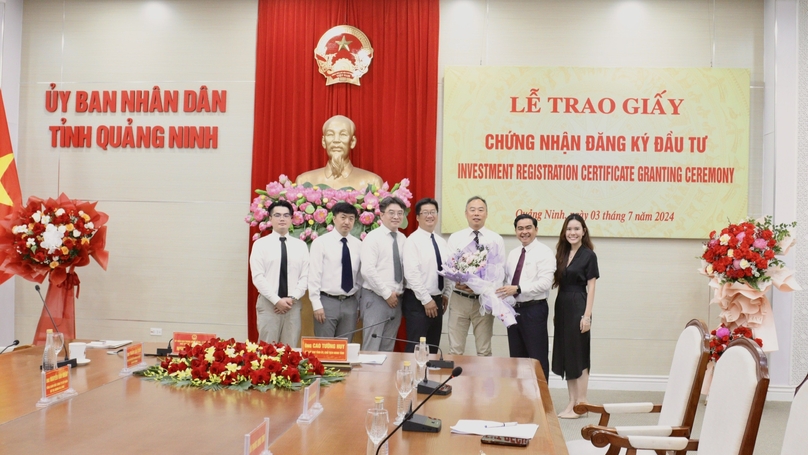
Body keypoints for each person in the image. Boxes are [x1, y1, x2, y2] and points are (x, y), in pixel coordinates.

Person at [496, 214, 555, 380]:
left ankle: (541, 403)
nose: (524, 232)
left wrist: (519, 288)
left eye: (528, 228)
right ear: (515, 231)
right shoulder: (514, 253)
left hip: (534, 310)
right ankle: (521, 402)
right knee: (517, 359)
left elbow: (545, 283)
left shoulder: (545, 252)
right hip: (513, 312)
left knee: (537, 358)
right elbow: (507, 281)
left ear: (536, 229)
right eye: (520, 228)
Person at [552, 213, 599, 419]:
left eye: (576, 229)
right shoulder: (561, 253)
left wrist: (587, 316)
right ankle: (571, 402)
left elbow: (592, 287)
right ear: (565, 232)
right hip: (562, 305)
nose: (573, 232)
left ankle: (582, 403)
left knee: (579, 355)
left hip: (578, 305)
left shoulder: (589, 255)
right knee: (566, 355)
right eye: (569, 229)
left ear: (584, 231)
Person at [446, 196, 505, 356]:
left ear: (486, 214)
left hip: (483, 301)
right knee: (455, 350)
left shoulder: (496, 239)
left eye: (480, 210)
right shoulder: (456, 238)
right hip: (459, 299)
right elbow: (448, 268)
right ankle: (455, 382)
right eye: (472, 210)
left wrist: (486, 289)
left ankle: (483, 381)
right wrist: (456, 284)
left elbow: (500, 272)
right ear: (466, 213)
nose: (476, 214)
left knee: (484, 350)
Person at [249, 200, 309, 347]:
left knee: (290, 351)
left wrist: (292, 298)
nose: (282, 219)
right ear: (270, 219)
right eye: (277, 215)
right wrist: (277, 300)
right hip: (269, 304)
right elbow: (258, 277)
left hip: (292, 305)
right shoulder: (260, 244)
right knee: (267, 351)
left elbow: (305, 276)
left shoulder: (301, 246)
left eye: (286, 215)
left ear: (291, 219)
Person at [402, 198, 451, 353]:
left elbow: (447, 270)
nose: (430, 216)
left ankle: (428, 377)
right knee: (417, 347)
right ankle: (411, 377)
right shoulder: (412, 241)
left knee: (433, 347)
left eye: (433, 212)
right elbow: (412, 275)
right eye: (425, 213)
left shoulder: (441, 241)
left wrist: (446, 293)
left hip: (436, 300)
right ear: (417, 217)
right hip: (418, 302)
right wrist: (426, 300)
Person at [308, 202, 362, 339]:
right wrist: (316, 304)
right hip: (327, 301)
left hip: (350, 302)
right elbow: (314, 275)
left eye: (351, 218)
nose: (347, 222)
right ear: (334, 218)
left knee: (345, 349)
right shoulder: (320, 243)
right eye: (343, 217)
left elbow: (360, 277)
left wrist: (358, 305)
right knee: (325, 349)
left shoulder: (359, 245)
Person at [359, 196, 407, 351]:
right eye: (391, 213)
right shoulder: (373, 238)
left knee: (388, 347)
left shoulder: (403, 238)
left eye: (400, 213)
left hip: (396, 300)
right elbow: (368, 270)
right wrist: (386, 294)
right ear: (382, 215)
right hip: (376, 298)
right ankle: (369, 376)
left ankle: (385, 376)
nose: (396, 217)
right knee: (372, 346)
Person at [295, 115, 383, 190]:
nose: (336, 140)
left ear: (352, 142)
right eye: (330, 134)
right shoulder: (304, 181)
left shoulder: (372, 182)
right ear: (324, 142)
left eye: (343, 135)